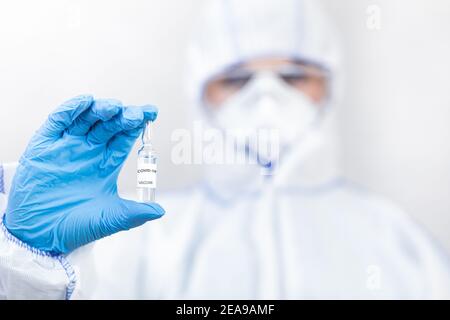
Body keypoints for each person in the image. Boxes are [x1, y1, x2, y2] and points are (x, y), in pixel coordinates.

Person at [1, 0, 450, 299]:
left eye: (294, 76)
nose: (267, 98)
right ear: (200, 91)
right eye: (236, 79)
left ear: (332, 85)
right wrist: (29, 263)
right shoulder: (143, 238)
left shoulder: (394, 242)